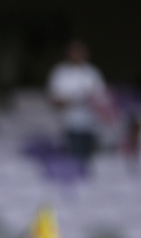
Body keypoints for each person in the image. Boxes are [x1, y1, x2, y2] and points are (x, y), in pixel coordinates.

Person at [47, 39, 112, 174]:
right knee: (75, 162)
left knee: (91, 164)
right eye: (75, 52)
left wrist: (93, 101)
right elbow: (54, 101)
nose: (78, 55)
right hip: (70, 124)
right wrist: (76, 99)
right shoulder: (61, 72)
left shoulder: (92, 72)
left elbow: (102, 98)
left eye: (81, 52)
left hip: (91, 125)